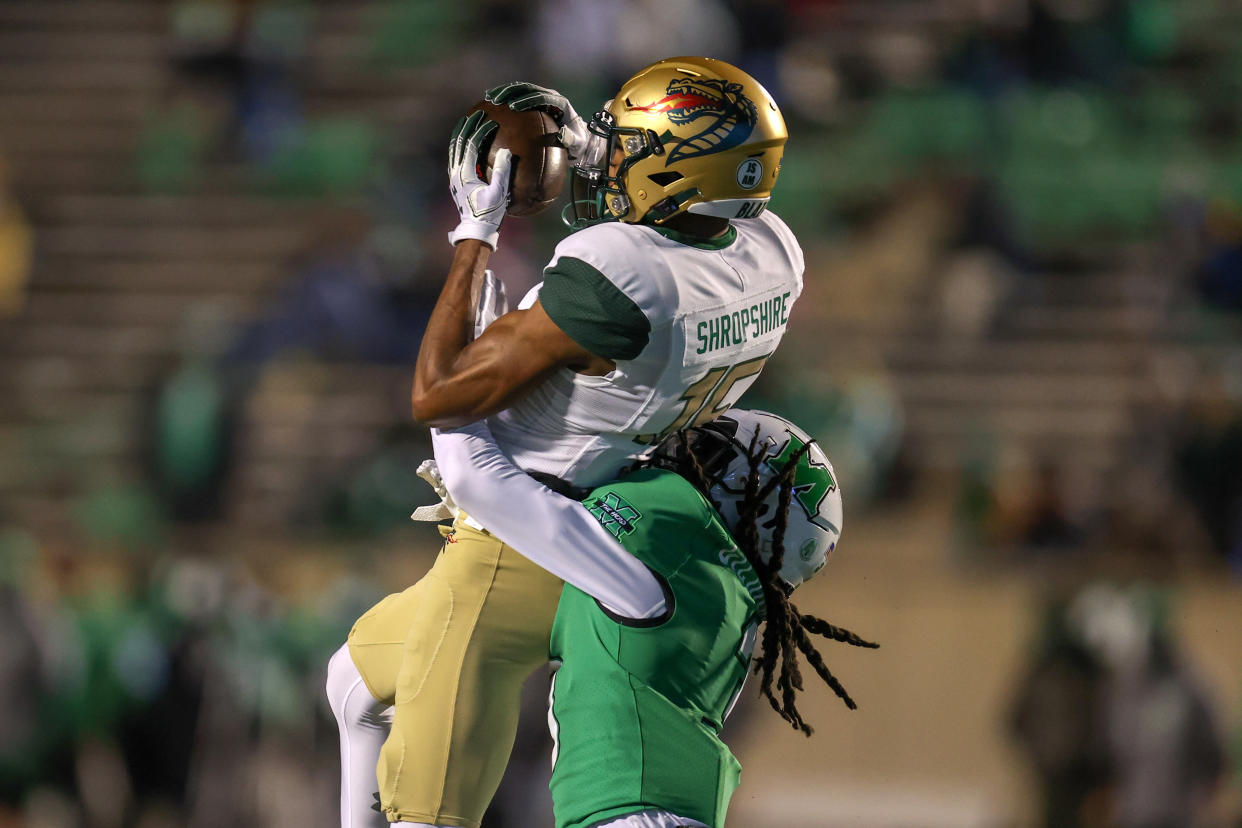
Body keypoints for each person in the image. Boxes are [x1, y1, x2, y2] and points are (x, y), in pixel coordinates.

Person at [328, 56, 806, 828]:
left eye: (629, 145)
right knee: (348, 677)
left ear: (674, 167)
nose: (608, 157)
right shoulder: (771, 254)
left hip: (510, 532)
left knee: (427, 810)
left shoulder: (622, 276)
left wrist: (474, 231)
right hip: (616, 501)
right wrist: (588, 147)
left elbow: (436, 393)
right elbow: (674, 206)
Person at [339, 409, 876, 828]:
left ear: (746, 501)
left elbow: (488, 487)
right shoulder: (721, 591)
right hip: (657, 811)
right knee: (350, 681)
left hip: (636, 816)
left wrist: (456, 404)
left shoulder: (667, 544)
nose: (680, 452)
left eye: (710, 454)